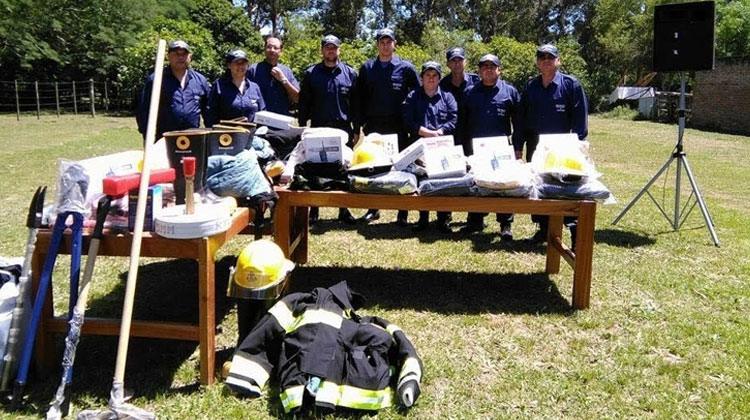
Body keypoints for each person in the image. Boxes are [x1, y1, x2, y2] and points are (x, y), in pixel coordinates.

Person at [518, 44, 589, 247]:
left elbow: (580, 120)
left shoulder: (571, 85)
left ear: (558, 60)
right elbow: (521, 120)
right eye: (542, 57)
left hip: (563, 149)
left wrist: (576, 148)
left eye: (551, 57)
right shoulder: (530, 87)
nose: (546, 60)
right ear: (538, 62)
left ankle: (575, 233)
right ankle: (543, 230)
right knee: (539, 188)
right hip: (536, 147)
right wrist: (518, 148)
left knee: (565, 190)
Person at [355, 28, 420, 224]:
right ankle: (373, 209)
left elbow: (417, 96)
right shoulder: (367, 68)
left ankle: (403, 212)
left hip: (398, 126)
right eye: (382, 42)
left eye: (388, 42)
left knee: (400, 167)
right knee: (372, 168)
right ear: (377, 44)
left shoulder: (406, 68)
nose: (385, 45)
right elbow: (359, 99)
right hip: (374, 126)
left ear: (395, 44)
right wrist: (359, 125)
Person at [459, 54, 521, 240]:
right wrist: (462, 149)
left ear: (498, 70)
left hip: (501, 148)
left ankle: (505, 224)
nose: (488, 69)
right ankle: (475, 220)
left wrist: (517, 148)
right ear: (478, 71)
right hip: (475, 147)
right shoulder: (469, 93)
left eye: (492, 66)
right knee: (476, 183)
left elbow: (519, 123)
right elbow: (462, 123)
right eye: (484, 66)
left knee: (504, 185)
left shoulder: (510, 92)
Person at [298, 34, 359, 225]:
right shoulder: (311, 74)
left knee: (343, 169)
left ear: (339, 50)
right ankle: (314, 210)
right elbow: (304, 103)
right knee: (315, 168)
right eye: (327, 47)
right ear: (322, 50)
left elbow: (356, 104)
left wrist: (356, 129)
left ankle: (344, 209)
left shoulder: (350, 73)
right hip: (318, 127)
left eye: (334, 47)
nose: (330, 51)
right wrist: (301, 127)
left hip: (342, 128)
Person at [402, 61, 457, 232]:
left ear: (439, 78)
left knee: (442, 181)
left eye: (434, 75)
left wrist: (440, 132)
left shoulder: (448, 97)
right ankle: (423, 218)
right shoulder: (413, 96)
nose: (431, 79)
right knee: (421, 181)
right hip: (419, 144)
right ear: (421, 77)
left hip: (441, 145)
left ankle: (443, 220)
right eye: (427, 75)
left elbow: (453, 118)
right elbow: (407, 119)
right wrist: (426, 132)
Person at [136, 40, 209, 141]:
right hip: (163, 138)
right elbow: (143, 110)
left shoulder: (200, 80)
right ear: (168, 56)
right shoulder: (156, 79)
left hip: (193, 138)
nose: (180, 57)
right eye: (176, 54)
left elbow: (208, 111)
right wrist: (148, 138)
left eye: (184, 54)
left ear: (190, 56)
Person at [205, 49, 265, 127]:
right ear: (229, 65)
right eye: (237, 63)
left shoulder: (254, 87)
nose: (240, 66)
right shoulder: (219, 85)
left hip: (251, 136)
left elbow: (262, 112)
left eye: (243, 63)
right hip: (226, 136)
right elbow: (210, 113)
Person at [246, 36, 299, 116]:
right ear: (264, 50)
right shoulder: (253, 70)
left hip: (281, 120)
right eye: (269, 47)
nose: (272, 50)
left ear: (281, 51)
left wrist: (284, 80)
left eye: (275, 47)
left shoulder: (287, 71)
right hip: (259, 120)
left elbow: (297, 98)